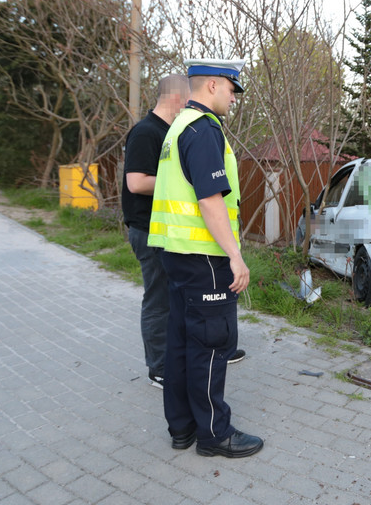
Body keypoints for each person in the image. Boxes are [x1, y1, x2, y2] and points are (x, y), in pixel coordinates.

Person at [147, 59, 263, 459]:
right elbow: (209, 200)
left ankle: (182, 428)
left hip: (177, 255)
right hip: (205, 259)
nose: (234, 97)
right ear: (212, 85)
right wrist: (236, 257)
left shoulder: (176, 127)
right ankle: (215, 434)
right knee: (212, 345)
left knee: (181, 343)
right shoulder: (203, 129)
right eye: (232, 89)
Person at [123, 75, 246, 390]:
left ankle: (202, 352)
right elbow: (136, 183)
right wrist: (184, 178)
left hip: (171, 232)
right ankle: (159, 366)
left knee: (177, 306)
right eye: (231, 91)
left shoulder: (174, 131)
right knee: (159, 300)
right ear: (175, 97)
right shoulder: (149, 132)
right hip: (151, 229)